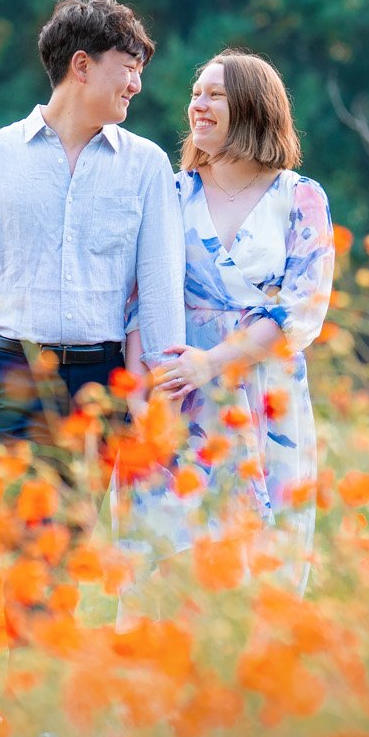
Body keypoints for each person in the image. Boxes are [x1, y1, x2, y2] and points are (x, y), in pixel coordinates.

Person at [0, 0, 186, 489]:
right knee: (22, 548)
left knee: (69, 549)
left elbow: (159, 287)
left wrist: (161, 404)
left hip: (101, 383)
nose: (137, 84)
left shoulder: (147, 166)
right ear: (82, 65)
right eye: (129, 68)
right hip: (10, 375)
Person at [122, 49, 335, 593]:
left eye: (215, 93)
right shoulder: (169, 192)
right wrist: (139, 396)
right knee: (170, 556)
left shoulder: (300, 198)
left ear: (253, 106)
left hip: (263, 392)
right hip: (176, 393)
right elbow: (138, 300)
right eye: (197, 93)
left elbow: (302, 307)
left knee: (260, 561)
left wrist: (212, 363)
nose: (199, 104)